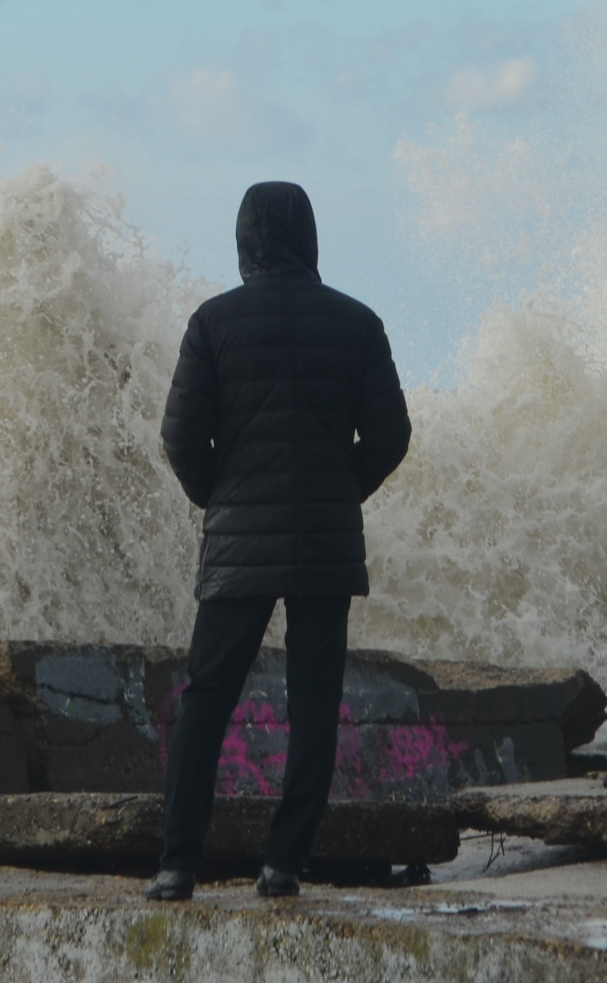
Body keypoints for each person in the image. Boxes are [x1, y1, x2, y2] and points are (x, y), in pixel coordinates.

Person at [145, 181, 412, 901]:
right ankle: (283, 863)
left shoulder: (213, 322)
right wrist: (339, 489)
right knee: (315, 700)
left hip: (239, 542)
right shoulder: (357, 323)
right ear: (311, 236)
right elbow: (391, 435)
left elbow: (178, 435)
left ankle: (178, 864)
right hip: (325, 540)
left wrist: (220, 496)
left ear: (243, 240)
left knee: (207, 698)